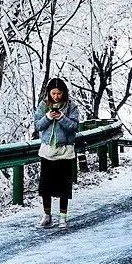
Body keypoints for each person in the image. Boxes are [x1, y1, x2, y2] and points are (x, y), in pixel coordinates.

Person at [34, 77, 79, 229]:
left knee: (63, 187)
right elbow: (37, 125)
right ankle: (47, 215)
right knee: (45, 186)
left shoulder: (71, 106)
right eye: (53, 93)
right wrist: (47, 117)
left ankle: (63, 217)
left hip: (64, 151)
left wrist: (62, 118)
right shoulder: (43, 106)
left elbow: (74, 126)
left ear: (64, 93)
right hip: (47, 151)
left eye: (59, 93)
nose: (56, 96)